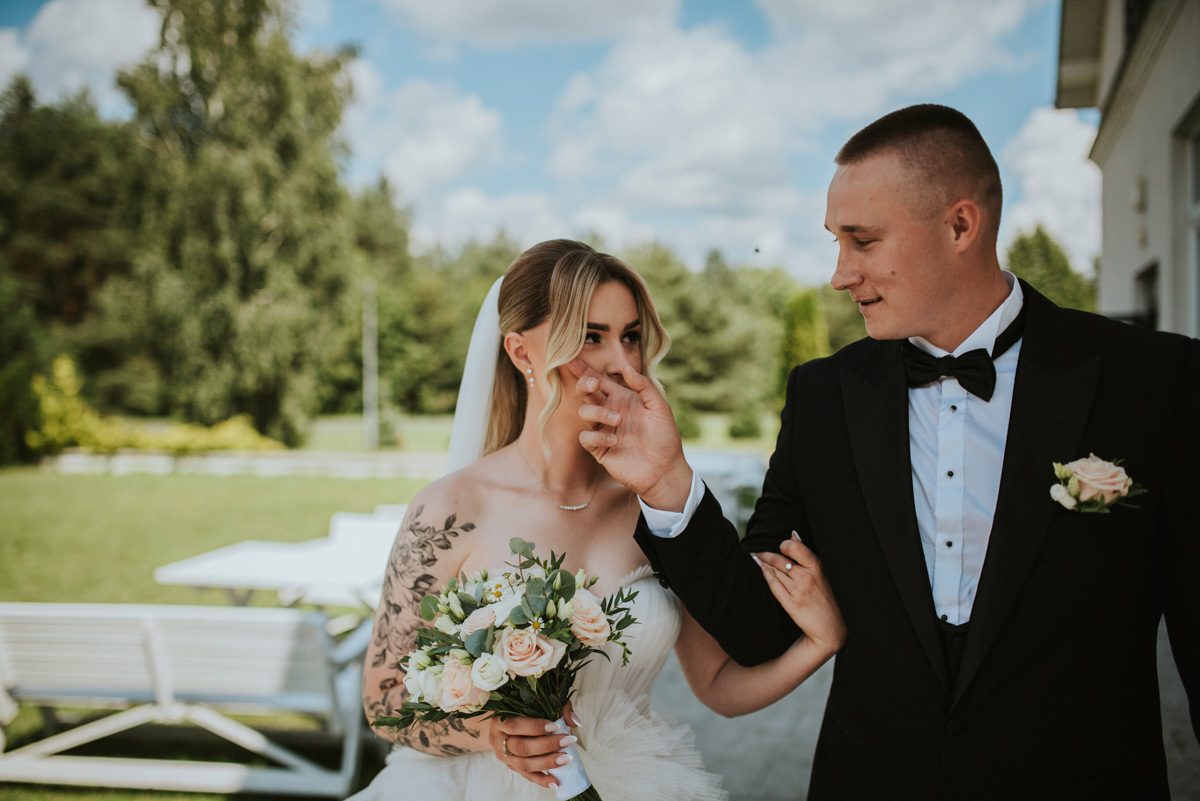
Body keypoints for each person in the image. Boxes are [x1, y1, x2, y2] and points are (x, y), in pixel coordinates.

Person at [573, 105, 1200, 800]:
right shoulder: (823, 397)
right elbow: (756, 628)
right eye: (835, 241)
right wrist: (667, 480)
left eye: (862, 241)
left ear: (962, 225)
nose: (841, 274)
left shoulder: (1157, 383)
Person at [351, 239, 846, 801]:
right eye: (591, 336)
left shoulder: (658, 510)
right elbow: (385, 699)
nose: (620, 361)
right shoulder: (451, 509)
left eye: (630, 336)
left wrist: (819, 644)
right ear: (521, 353)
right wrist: (491, 733)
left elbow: (718, 686)